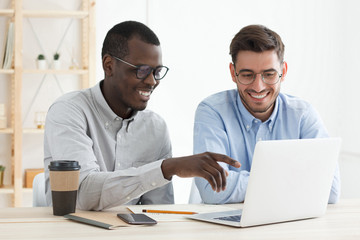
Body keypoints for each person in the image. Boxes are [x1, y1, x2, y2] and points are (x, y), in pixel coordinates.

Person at [44, 21, 240, 211]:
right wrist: (166, 168)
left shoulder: (155, 128)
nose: (152, 81)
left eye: (157, 72)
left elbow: (157, 211)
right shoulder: (68, 111)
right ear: (109, 65)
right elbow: (83, 194)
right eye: (141, 71)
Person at [193, 24, 340, 204]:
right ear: (233, 73)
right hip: (223, 227)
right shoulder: (212, 111)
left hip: (285, 225)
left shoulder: (303, 115)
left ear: (283, 71)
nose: (258, 87)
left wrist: (243, 183)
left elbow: (330, 189)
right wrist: (294, 179)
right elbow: (212, 190)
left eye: (269, 74)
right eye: (247, 75)